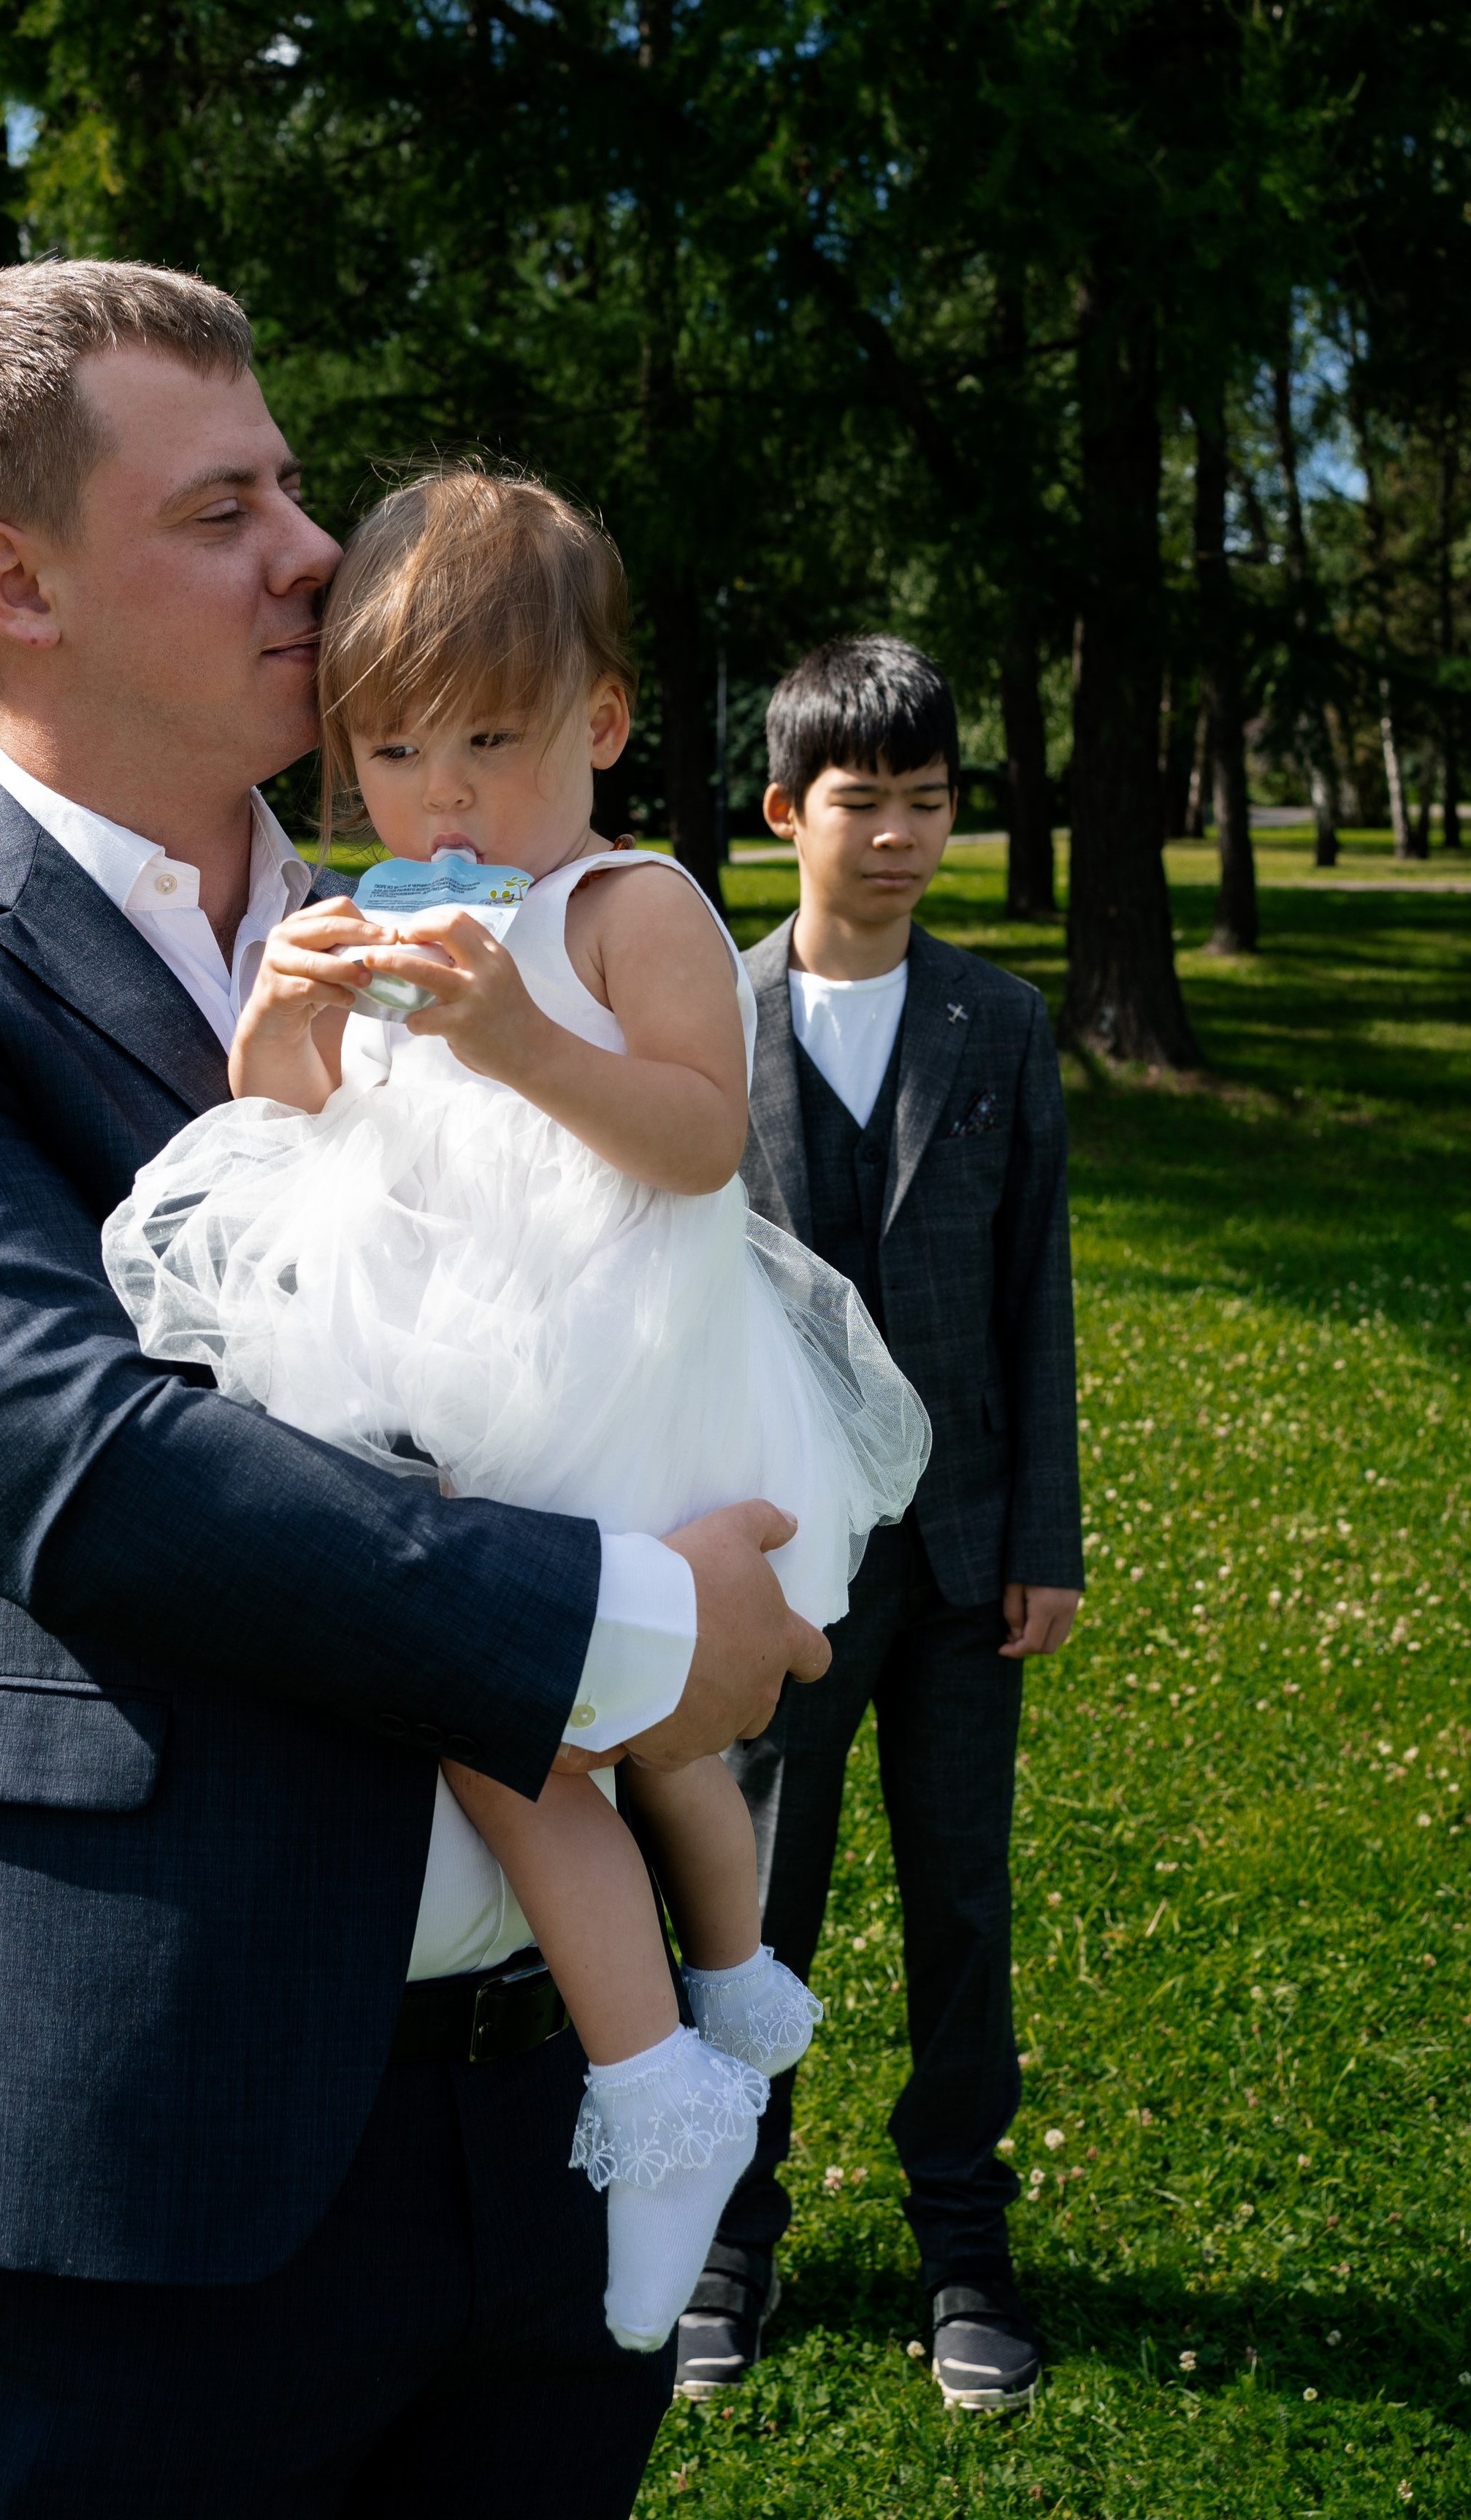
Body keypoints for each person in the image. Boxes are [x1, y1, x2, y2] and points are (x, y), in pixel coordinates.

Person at [0, 259, 836, 2520]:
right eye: (227, 509)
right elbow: (81, 1468)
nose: (319, 551)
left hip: (550, 2109)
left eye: (299, 484)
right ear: (14, 583)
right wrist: (630, 1624)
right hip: (163, 2139)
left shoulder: (496, 905)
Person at [101, 467, 931, 2356]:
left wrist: (514, 1035)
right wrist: (290, 1019)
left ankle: (663, 2087)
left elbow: (701, 1142)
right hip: (440, 1349)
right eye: (392, 754)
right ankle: (738, 1990)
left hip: (611, 1359)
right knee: (632, 1752)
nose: (444, 801)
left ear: (606, 728)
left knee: (530, 1730)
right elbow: (301, 1118)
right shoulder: (368, 905)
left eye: (492, 741)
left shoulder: (628, 903)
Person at [673, 635, 1082, 2416]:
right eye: (865, 803)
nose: (902, 834)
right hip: (771, 1572)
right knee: (749, 1905)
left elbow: (1032, 1295)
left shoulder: (997, 1023)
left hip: (958, 1561)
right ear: (783, 813)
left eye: (929, 803)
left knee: (960, 1905)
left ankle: (961, 2247)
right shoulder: (703, 1020)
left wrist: (1042, 1537)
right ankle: (721, 2233)